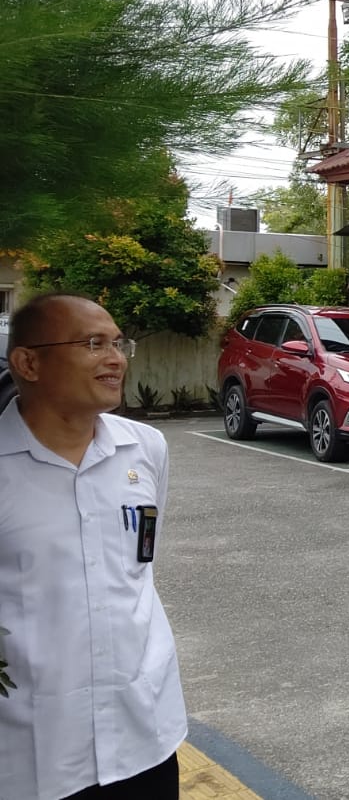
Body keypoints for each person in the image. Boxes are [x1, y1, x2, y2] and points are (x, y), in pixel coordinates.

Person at [0, 293, 187, 800]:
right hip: (31, 754)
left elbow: (136, 570)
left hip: (144, 735)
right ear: (29, 362)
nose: (116, 359)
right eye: (93, 344)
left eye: (118, 344)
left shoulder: (145, 448)